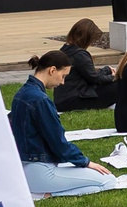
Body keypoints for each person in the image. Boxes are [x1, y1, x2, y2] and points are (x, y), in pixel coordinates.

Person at [12, 53, 116, 197]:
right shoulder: (40, 100)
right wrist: (85, 162)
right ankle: (43, 195)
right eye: (63, 76)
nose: (62, 83)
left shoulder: (22, 93)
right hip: (39, 172)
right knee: (108, 181)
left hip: (24, 168)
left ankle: (41, 192)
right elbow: (58, 143)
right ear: (52, 70)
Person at [52, 19, 117, 111]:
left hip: (63, 100)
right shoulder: (80, 55)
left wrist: (107, 70)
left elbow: (88, 74)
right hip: (73, 100)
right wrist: (114, 77)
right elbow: (95, 79)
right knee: (119, 84)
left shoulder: (65, 50)